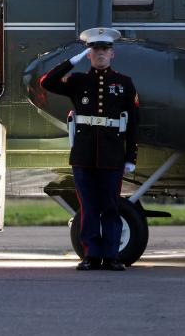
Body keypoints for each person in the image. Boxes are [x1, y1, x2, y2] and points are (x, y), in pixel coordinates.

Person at [40, 27, 139, 272]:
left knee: (110, 206)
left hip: (112, 156)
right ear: (89, 54)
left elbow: (134, 123)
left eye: (105, 49)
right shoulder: (78, 81)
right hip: (84, 156)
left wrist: (130, 157)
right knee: (88, 206)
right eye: (95, 49)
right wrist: (72, 60)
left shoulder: (124, 83)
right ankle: (91, 255)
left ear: (112, 53)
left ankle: (112, 255)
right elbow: (47, 82)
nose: (100, 53)